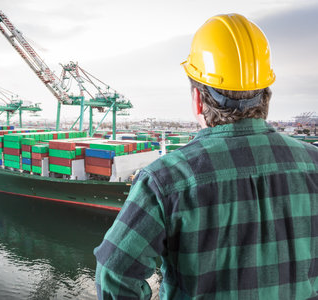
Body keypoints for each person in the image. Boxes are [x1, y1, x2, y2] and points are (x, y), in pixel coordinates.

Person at [94, 13, 318, 299]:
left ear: (198, 100)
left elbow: (114, 275)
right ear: (266, 97)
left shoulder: (165, 181)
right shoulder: (314, 165)